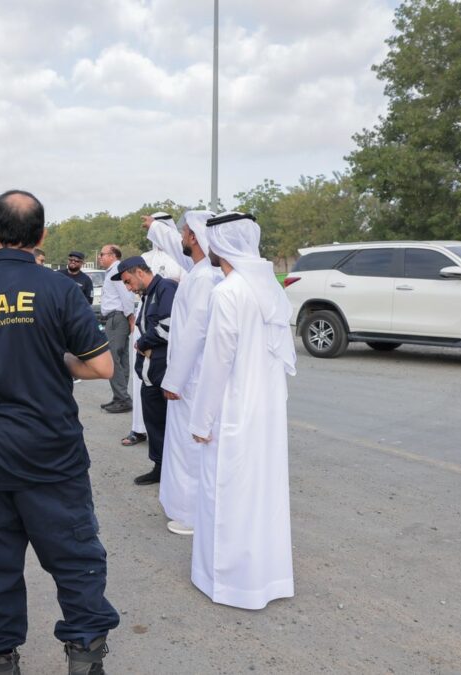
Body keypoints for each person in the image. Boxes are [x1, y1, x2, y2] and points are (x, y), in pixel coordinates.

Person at [0, 190, 120, 674]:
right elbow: (101, 366)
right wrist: (55, 360)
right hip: (51, 449)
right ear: (41, 235)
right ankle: (85, 654)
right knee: (75, 556)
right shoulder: (58, 289)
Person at [188, 212, 297, 610]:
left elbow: (217, 364)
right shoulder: (268, 286)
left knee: (228, 494)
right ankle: (267, 578)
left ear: (222, 244)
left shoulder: (229, 291)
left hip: (235, 409)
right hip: (267, 410)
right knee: (263, 494)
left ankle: (231, 582)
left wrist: (201, 421)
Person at [145, 211, 221, 535]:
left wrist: (173, 380)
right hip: (193, 374)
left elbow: (193, 334)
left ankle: (190, 515)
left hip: (191, 378)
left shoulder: (204, 278)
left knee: (189, 448)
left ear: (194, 237)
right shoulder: (199, 272)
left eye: (185, 232)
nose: (180, 238)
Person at [114, 257, 178, 486]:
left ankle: (170, 470)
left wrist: (143, 343)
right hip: (151, 372)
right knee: (155, 423)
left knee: (168, 424)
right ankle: (159, 466)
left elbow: (170, 326)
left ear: (140, 272)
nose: (129, 287)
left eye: (128, 281)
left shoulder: (165, 288)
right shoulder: (147, 295)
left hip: (164, 371)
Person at [97, 244, 135, 413]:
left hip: (117, 318)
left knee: (113, 359)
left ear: (112, 255)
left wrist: (130, 317)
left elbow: (126, 295)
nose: (99, 257)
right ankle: (120, 396)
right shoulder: (113, 270)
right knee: (121, 358)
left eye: (102, 254)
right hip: (118, 317)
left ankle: (123, 399)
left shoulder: (116, 270)